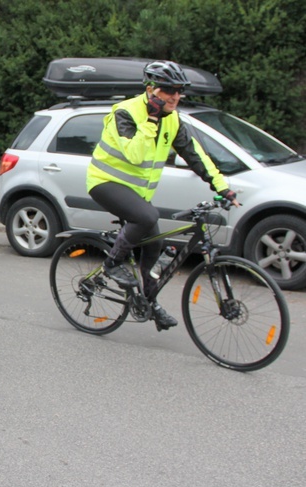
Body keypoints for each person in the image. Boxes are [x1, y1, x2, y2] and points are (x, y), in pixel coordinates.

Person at [86, 60, 239, 331]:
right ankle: (112, 263)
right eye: (169, 91)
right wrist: (151, 119)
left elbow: (195, 155)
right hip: (105, 183)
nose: (176, 97)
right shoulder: (125, 112)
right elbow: (135, 155)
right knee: (147, 216)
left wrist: (221, 186)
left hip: (136, 192)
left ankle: (150, 303)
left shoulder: (174, 120)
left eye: (179, 92)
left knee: (154, 245)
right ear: (151, 90)